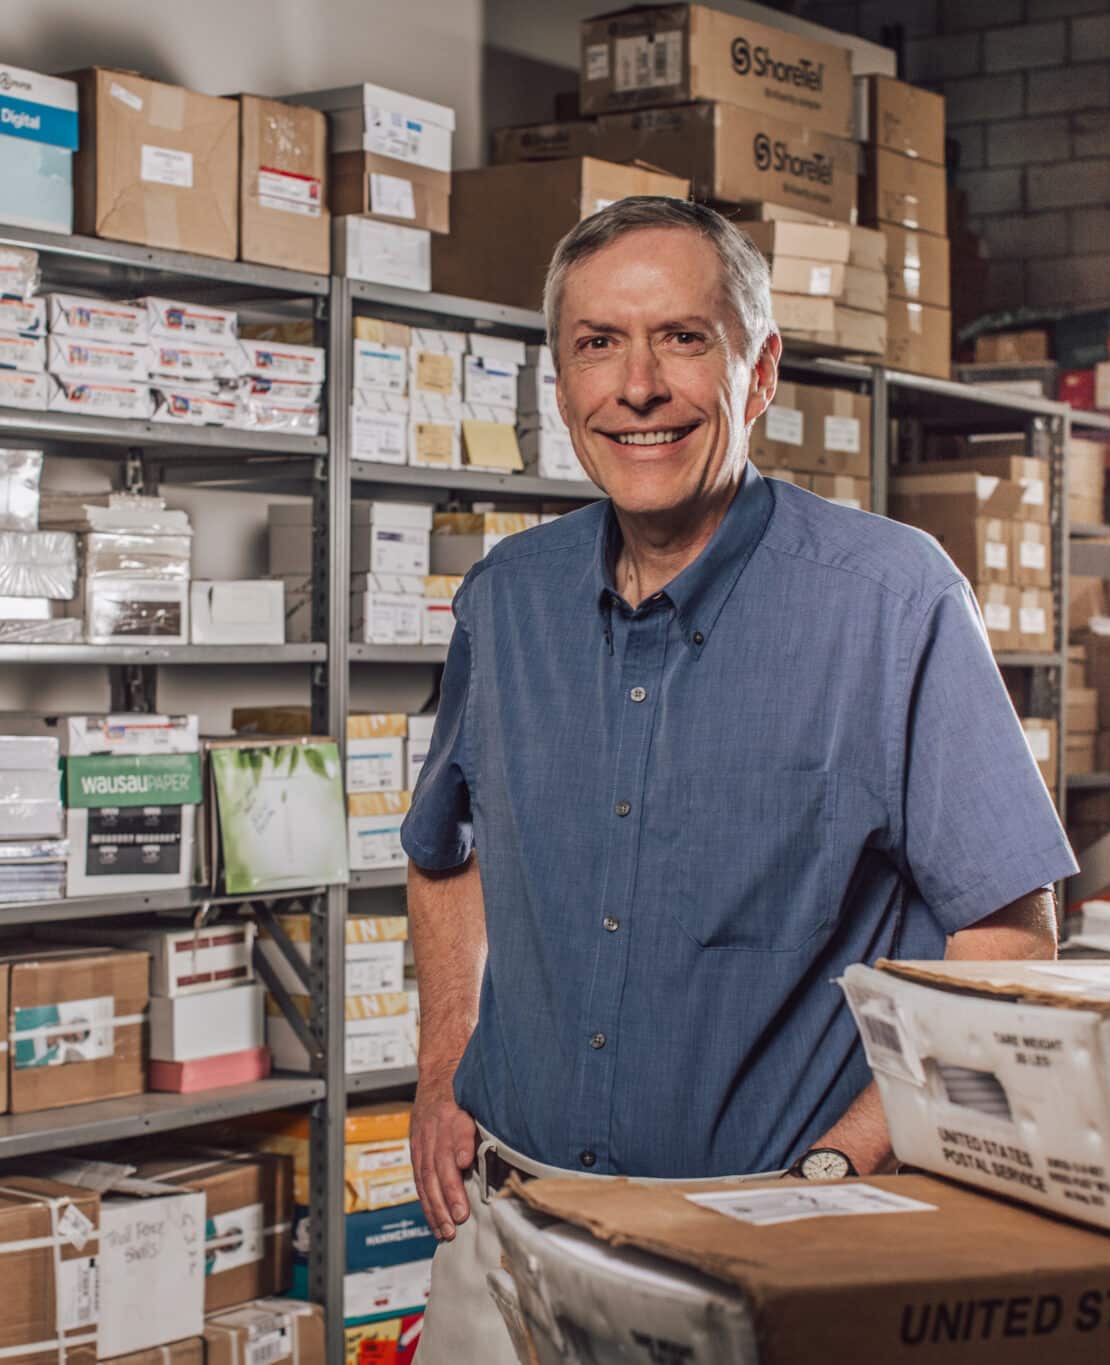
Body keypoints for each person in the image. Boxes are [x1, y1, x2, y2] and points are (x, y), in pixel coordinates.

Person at [399, 196, 1073, 1361]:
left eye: (682, 339)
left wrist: (840, 1164)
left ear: (758, 374)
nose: (636, 386)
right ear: (559, 379)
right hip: (507, 1234)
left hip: (772, 1252)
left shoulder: (889, 601)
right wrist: (443, 1060)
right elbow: (439, 850)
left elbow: (1008, 943)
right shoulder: (505, 600)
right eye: (596, 342)